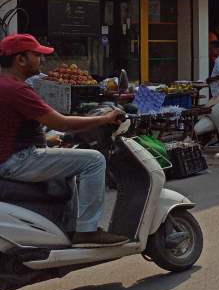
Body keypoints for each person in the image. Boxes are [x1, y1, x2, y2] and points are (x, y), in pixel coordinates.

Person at [0, 34, 127, 246]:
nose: (42, 59)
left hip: (12, 155)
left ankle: (68, 227)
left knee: (71, 164)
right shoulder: (17, 89)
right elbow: (62, 123)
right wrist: (104, 119)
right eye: (36, 55)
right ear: (20, 59)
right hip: (16, 160)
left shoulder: (6, 85)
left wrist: (48, 141)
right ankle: (87, 231)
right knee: (94, 160)